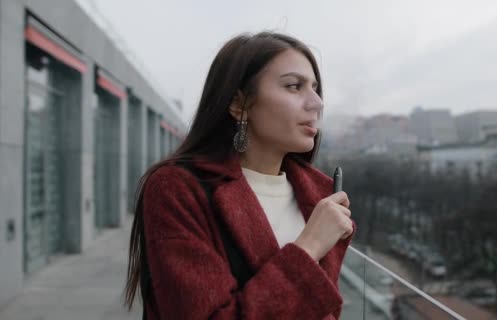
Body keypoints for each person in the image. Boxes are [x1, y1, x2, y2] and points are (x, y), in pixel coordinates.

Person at [124, 32, 356, 319]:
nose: (317, 103)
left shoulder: (318, 195)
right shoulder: (178, 189)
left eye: (315, 88)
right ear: (239, 104)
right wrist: (309, 247)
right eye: (294, 86)